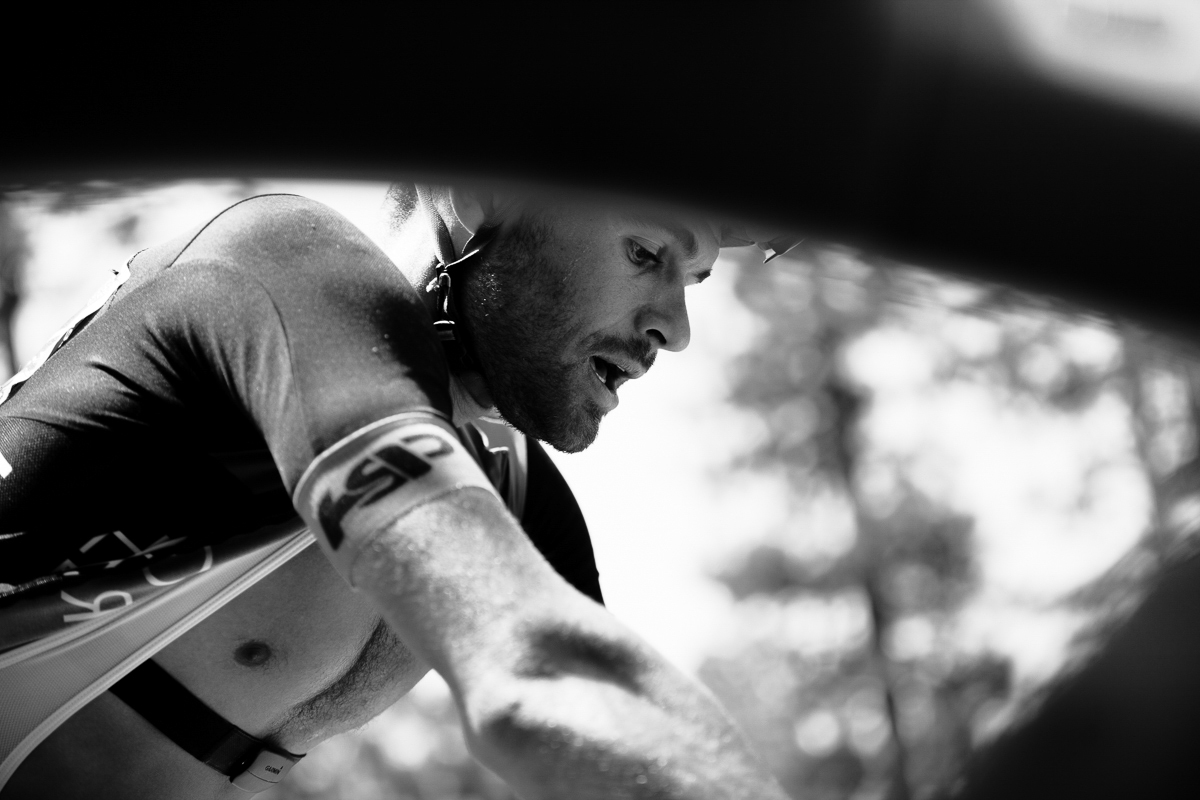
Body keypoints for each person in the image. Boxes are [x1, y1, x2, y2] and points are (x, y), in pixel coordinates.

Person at [0, 183, 798, 799]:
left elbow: (615, 724)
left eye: (694, 280)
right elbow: (530, 674)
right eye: (645, 252)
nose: (676, 328)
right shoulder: (284, 264)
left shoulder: (505, 483)